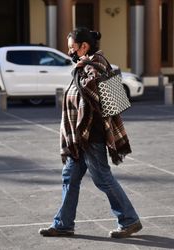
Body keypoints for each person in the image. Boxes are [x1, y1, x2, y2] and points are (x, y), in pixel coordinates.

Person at [39, 27, 142, 238]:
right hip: (80, 137)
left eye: (72, 48)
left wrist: (82, 68)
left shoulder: (95, 65)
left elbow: (100, 97)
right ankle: (63, 224)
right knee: (70, 176)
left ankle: (130, 220)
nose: (70, 52)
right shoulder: (89, 65)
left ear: (83, 46)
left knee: (102, 178)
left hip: (91, 135)